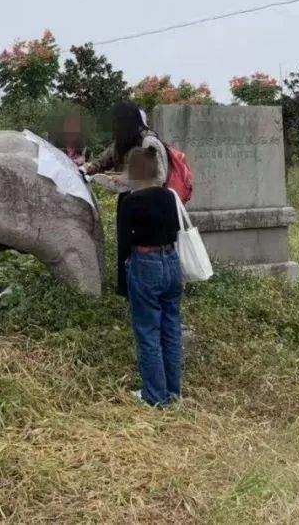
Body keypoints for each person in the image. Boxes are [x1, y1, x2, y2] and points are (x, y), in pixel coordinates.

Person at [117, 145, 183, 406]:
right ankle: (173, 392)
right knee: (170, 329)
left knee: (148, 332)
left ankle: (155, 397)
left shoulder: (130, 202)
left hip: (145, 264)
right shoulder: (168, 196)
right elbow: (175, 229)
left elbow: (124, 242)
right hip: (172, 262)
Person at [82, 101, 168, 185]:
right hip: (130, 196)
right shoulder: (121, 143)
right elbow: (102, 160)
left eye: (117, 122)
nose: (114, 127)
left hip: (151, 197)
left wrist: (127, 179)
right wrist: (88, 167)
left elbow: (159, 179)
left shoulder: (148, 142)